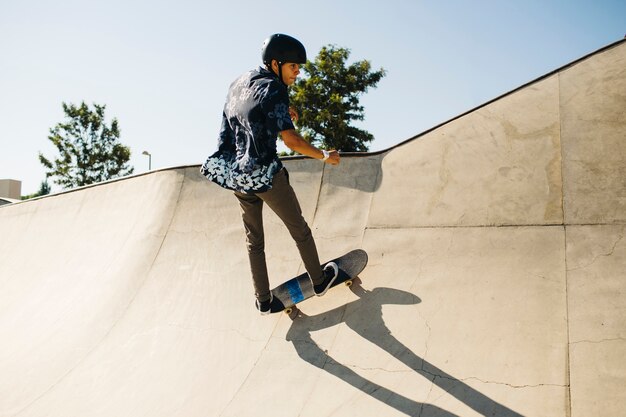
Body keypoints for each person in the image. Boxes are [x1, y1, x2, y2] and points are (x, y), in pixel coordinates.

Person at [201, 34, 341, 315]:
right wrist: (325, 156)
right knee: (299, 229)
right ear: (275, 64)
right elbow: (292, 142)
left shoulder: (241, 82)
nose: (298, 73)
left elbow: (241, 115)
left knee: (254, 241)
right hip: (265, 176)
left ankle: (263, 300)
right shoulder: (274, 90)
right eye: (293, 67)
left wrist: (281, 113)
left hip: (237, 176)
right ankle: (319, 281)